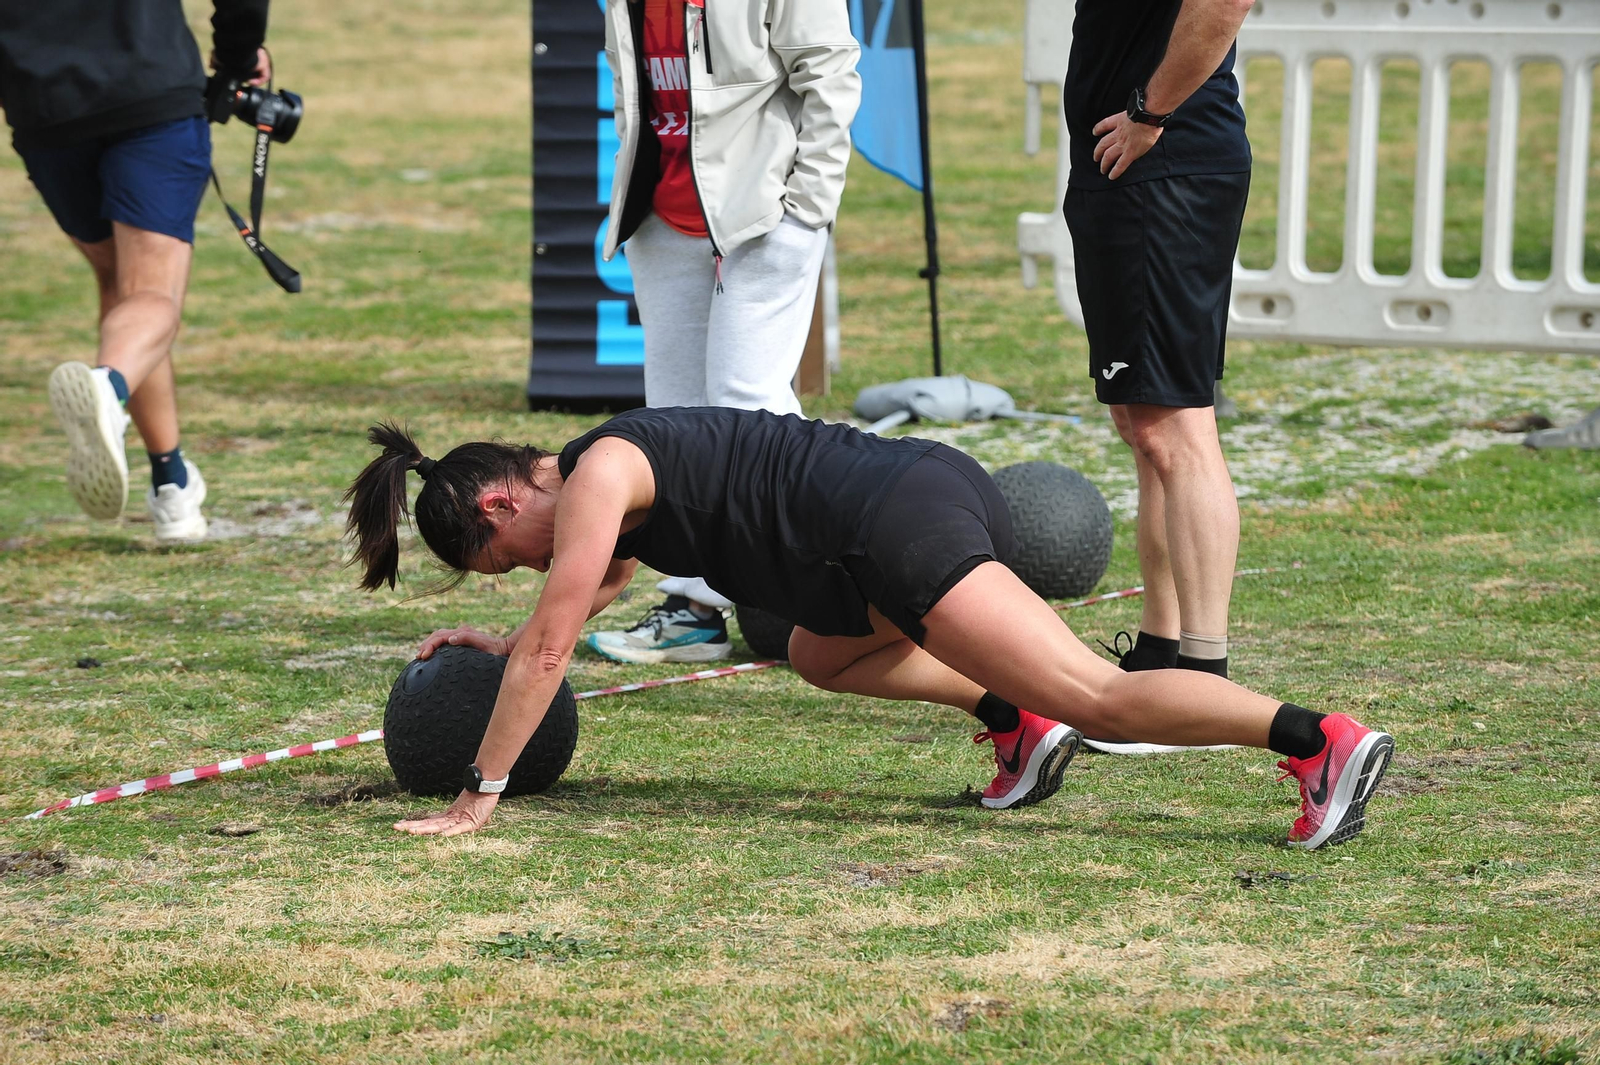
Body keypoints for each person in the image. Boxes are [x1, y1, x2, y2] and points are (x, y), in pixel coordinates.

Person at [343, 407, 1396, 848]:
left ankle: (1318, 741)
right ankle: (1015, 722)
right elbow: (598, 584)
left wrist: (478, 795)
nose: (533, 572)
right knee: (819, 651)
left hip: (892, 524)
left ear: (499, 504)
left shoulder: (597, 472)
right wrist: (505, 644)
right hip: (893, 512)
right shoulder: (599, 471)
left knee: (1102, 696)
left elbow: (552, 643)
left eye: (512, 560)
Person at [585, 0, 861, 665]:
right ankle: (694, 607)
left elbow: (831, 75)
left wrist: (807, 209)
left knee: (749, 402)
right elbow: (632, 88)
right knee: (674, 422)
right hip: (661, 215)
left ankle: (844, 567)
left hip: (766, 214)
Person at [1, 0, 271, 541]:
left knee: (119, 284)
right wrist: (240, 54)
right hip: (149, 92)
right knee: (150, 291)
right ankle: (110, 387)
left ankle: (172, 485)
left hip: (44, 109)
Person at [1060, 0, 1254, 745]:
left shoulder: (1158, 125)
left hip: (1163, 161)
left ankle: (1202, 683)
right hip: (1127, 162)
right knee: (1144, 423)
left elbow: (1223, 4)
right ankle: (1160, 654)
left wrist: (1150, 111)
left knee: (1175, 427)